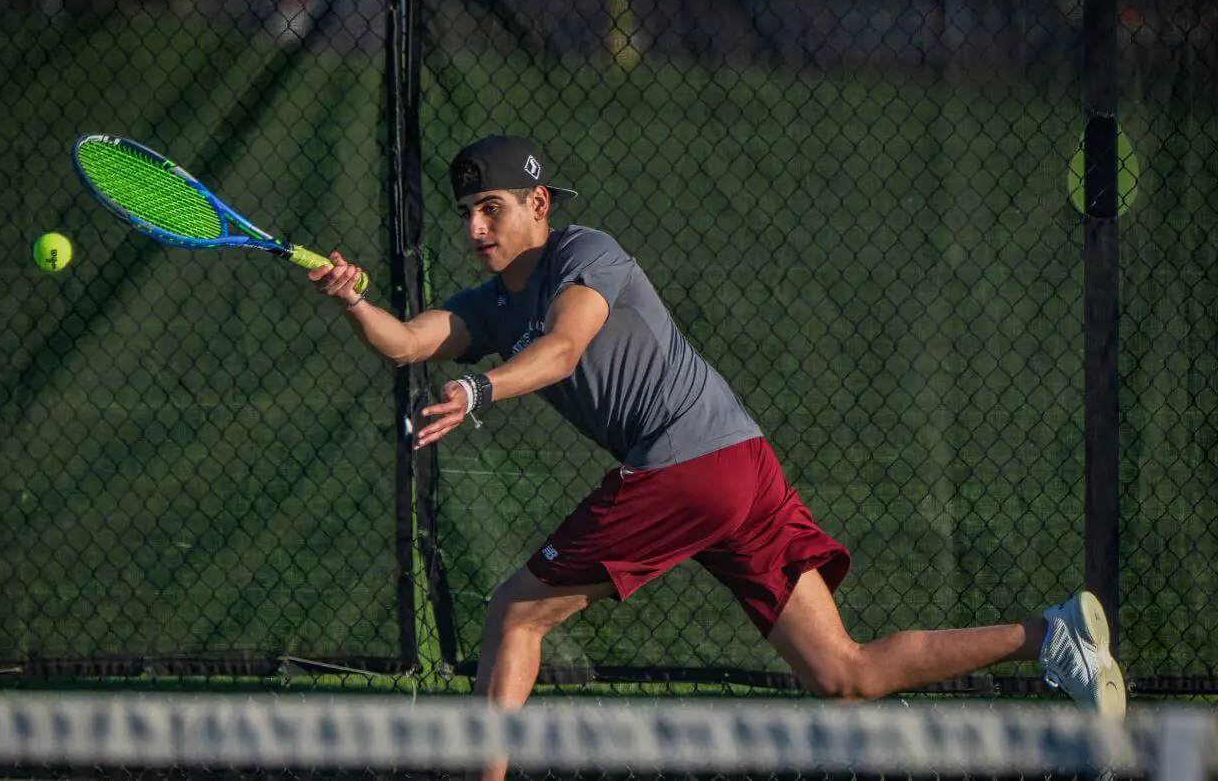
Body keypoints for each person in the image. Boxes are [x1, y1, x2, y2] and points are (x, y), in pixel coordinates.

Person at [310, 135, 1126, 777]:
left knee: (514, 613)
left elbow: (563, 350)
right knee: (842, 674)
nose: (474, 229)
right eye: (464, 213)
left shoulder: (586, 253)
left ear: (539, 202)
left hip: (688, 465)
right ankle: (1049, 637)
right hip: (738, 466)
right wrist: (354, 300)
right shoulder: (489, 306)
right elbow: (408, 340)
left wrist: (482, 392)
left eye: (489, 208)